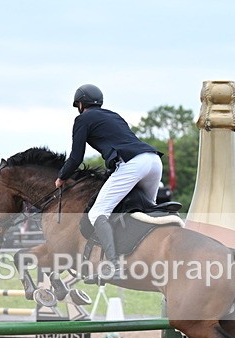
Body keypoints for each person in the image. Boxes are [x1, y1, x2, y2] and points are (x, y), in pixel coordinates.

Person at [55, 83, 163, 275]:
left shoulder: (82, 119)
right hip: (153, 161)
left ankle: (114, 265)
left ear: (80, 104)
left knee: (97, 213)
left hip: (132, 164)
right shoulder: (114, 115)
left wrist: (62, 176)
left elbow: (76, 157)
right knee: (147, 210)